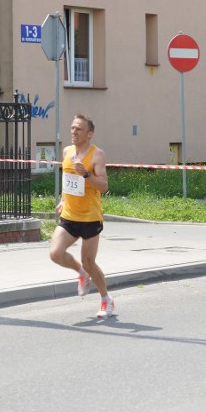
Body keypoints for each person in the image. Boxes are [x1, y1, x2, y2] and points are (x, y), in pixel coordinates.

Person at [49, 114, 114, 318]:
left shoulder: (97, 155)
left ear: (89, 133)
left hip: (90, 217)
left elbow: (104, 186)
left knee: (89, 261)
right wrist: (63, 198)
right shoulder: (67, 151)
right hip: (69, 214)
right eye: (72, 128)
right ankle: (82, 274)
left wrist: (87, 174)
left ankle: (106, 300)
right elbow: (67, 179)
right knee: (55, 253)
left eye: (79, 129)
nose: (74, 132)